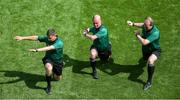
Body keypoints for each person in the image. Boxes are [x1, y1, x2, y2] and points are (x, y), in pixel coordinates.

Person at [14, 29, 63, 94]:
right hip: (48, 59)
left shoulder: (59, 43)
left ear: (55, 35)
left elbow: (49, 48)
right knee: (48, 68)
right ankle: (49, 86)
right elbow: (35, 37)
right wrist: (22, 38)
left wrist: (37, 50)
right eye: (48, 37)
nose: (48, 39)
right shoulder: (47, 38)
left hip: (57, 61)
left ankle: (55, 71)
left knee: (57, 78)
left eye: (50, 38)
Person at [127, 17, 161, 90]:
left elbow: (144, 42)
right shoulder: (146, 26)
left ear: (151, 25)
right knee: (145, 60)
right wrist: (133, 23)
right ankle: (145, 61)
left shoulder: (155, 32)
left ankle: (149, 82)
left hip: (155, 50)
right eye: (144, 24)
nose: (144, 26)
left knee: (150, 61)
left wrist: (137, 35)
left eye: (146, 25)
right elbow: (141, 24)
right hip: (146, 50)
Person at [83, 15, 112, 79]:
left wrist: (85, 34)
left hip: (104, 49)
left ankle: (109, 49)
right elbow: (90, 29)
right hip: (96, 47)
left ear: (100, 21)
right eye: (94, 23)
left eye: (97, 23)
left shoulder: (103, 30)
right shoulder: (94, 28)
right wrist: (87, 30)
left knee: (105, 60)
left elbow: (93, 38)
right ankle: (94, 71)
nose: (95, 25)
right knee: (92, 54)